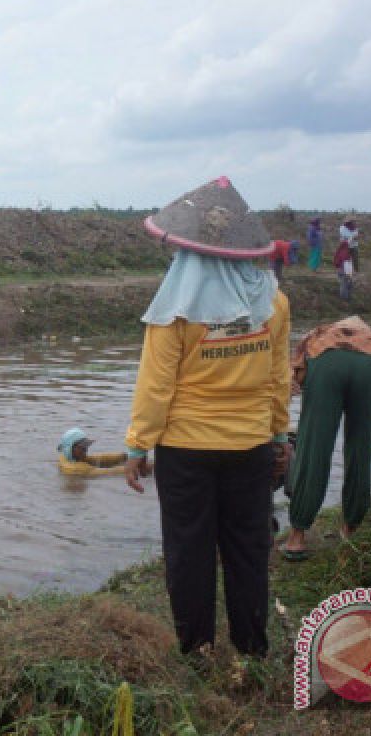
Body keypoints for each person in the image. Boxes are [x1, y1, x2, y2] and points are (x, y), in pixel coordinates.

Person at [125, 176, 290, 659]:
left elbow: (155, 388)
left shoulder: (175, 309)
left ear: (188, 254)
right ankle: (251, 651)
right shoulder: (272, 304)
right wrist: (279, 434)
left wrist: (137, 446)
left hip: (186, 451)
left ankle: (197, 651)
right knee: (247, 550)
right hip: (251, 446)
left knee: (189, 555)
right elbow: (278, 377)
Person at [281, 317, 371, 559]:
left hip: (326, 363)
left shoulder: (317, 336)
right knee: (360, 448)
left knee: (314, 447)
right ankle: (351, 530)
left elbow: (291, 381)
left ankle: (296, 538)